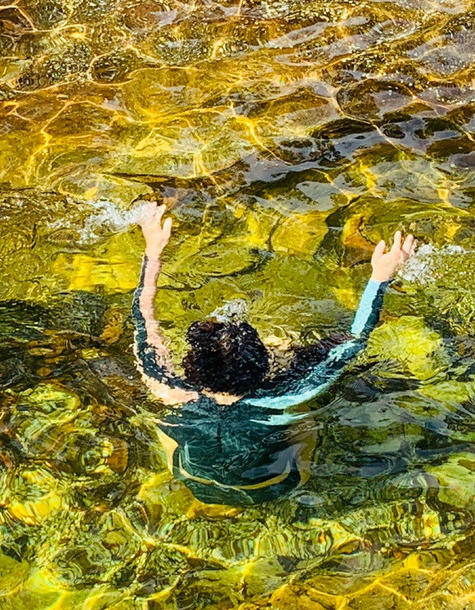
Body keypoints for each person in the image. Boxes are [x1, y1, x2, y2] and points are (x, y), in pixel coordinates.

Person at [132, 201, 416, 506]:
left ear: (193, 366)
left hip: (193, 481)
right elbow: (356, 339)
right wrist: (380, 277)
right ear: (262, 366)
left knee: (167, 426)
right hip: (278, 485)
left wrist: (153, 250)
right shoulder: (285, 397)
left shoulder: (166, 388)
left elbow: (143, 316)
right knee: (303, 419)